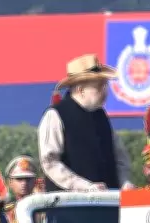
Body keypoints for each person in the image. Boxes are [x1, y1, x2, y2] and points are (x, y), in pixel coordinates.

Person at [38, 54, 134, 192]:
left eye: (105, 86)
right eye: (99, 87)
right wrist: (84, 186)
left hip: (108, 204)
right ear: (80, 90)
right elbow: (50, 162)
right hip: (70, 206)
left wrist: (124, 181)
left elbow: (120, 157)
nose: (105, 92)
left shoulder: (102, 116)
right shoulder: (55, 115)